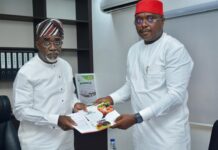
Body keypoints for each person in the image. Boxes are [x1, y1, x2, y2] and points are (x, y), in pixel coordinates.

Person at [95, 0, 194, 150]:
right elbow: (131, 85)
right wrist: (110, 99)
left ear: (162, 21)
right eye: (139, 20)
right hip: (142, 135)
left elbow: (175, 95)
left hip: (169, 138)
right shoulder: (133, 51)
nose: (143, 24)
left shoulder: (174, 49)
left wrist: (137, 117)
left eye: (150, 18)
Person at [12, 18, 87, 150]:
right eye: (46, 41)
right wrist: (55, 119)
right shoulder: (26, 72)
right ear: (37, 44)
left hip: (65, 140)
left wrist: (75, 104)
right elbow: (20, 111)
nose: (53, 47)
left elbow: (70, 94)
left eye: (57, 41)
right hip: (39, 143)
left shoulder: (66, 66)